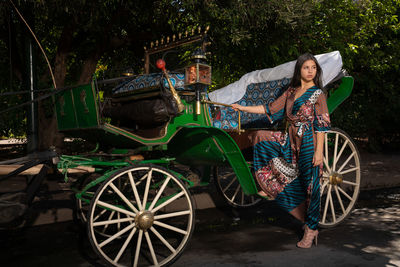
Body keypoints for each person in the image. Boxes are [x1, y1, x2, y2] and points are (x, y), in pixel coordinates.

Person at [231, 53, 331, 248]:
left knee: (311, 185)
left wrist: (319, 152)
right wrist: (242, 108)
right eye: (306, 67)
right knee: (261, 135)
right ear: (299, 70)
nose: (310, 71)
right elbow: (269, 109)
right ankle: (269, 183)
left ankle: (311, 229)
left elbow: (322, 126)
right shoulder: (291, 92)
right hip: (290, 139)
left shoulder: (318, 94)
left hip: (309, 140)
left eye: (313, 68)